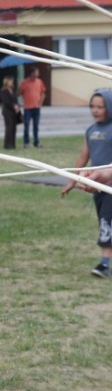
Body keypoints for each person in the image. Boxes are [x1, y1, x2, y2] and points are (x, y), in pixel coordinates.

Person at [62, 89, 112, 278]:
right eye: (92, 106)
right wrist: (72, 181)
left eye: (101, 107)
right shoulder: (91, 131)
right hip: (96, 185)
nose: (96, 110)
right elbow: (83, 156)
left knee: (107, 221)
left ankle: (104, 264)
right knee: (104, 220)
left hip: (110, 185)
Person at [18, 67, 46, 148]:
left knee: (36, 126)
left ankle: (36, 142)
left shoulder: (39, 82)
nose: (37, 74)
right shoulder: (25, 83)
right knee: (26, 126)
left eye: (38, 73)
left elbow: (43, 93)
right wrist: (20, 86)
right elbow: (19, 93)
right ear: (32, 73)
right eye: (36, 72)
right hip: (28, 108)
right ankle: (26, 143)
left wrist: (40, 103)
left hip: (36, 108)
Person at [0, 75, 20, 150]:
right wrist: (13, 106)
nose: (12, 83)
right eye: (10, 81)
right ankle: (8, 144)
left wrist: (17, 106)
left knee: (14, 128)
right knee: (9, 128)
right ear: (7, 82)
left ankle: (13, 144)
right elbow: (6, 101)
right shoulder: (4, 91)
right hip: (7, 112)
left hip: (14, 112)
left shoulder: (13, 90)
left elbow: (15, 99)